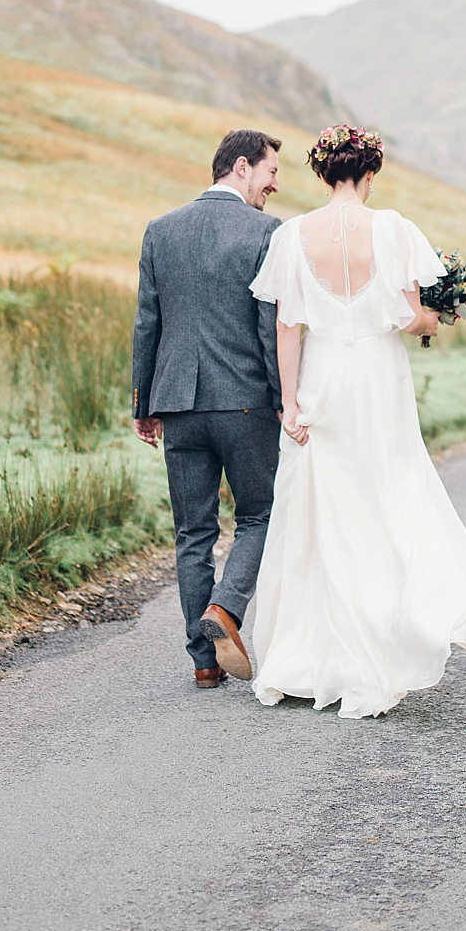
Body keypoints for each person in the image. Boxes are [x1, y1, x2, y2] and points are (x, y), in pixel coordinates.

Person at [249, 124, 466, 718]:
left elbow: (288, 327)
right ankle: (380, 649)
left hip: (322, 378)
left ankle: (305, 660)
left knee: (318, 511)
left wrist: (289, 402)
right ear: (369, 174)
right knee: (384, 500)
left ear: (321, 172)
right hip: (377, 384)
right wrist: (436, 320)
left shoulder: (291, 234)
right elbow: (413, 319)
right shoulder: (394, 230)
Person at [132, 128, 283, 689]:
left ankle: (204, 662)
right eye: (270, 173)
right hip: (244, 401)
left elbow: (148, 323)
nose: (273, 186)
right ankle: (225, 608)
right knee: (260, 516)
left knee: (192, 532)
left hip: (176, 405)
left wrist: (144, 404)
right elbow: (270, 326)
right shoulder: (267, 231)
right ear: (242, 166)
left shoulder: (160, 229)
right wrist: (282, 398)